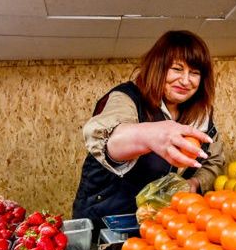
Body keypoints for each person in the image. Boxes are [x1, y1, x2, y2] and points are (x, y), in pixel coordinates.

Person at [72, 30, 225, 226]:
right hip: (107, 221)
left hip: (158, 223)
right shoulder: (126, 98)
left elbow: (213, 159)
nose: (186, 80)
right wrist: (149, 136)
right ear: (158, 68)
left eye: (194, 73)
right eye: (177, 69)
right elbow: (109, 141)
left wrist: (193, 184)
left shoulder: (200, 114)